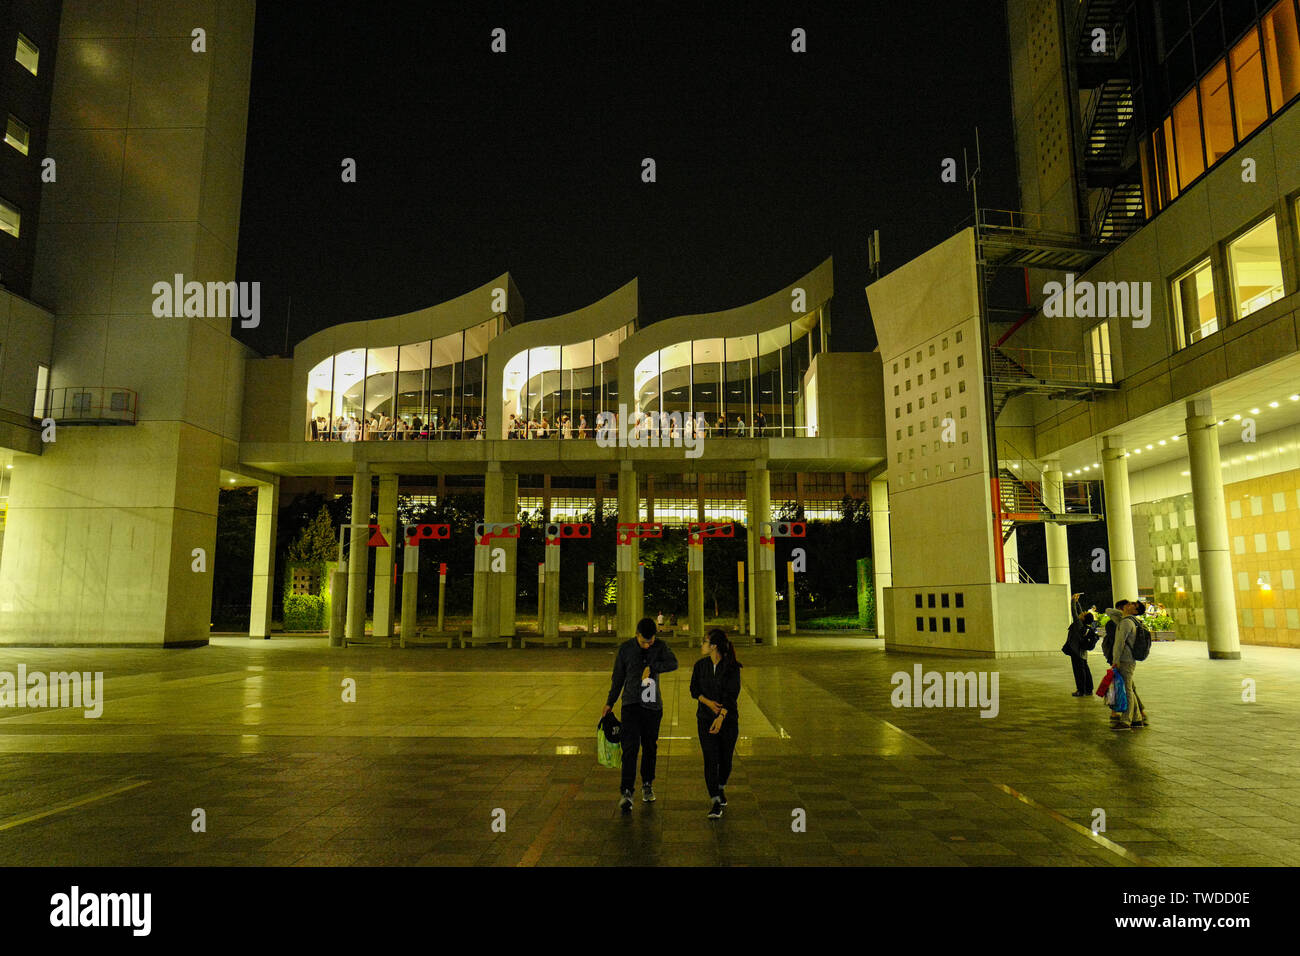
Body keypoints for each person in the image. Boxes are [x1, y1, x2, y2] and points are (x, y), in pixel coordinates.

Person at [602, 617, 678, 810]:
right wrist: (610, 702)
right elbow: (618, 677)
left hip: (652, 705)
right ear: (636, 635)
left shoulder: (660, 646)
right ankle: (626, 790)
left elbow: (673, 663)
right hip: (631, 704)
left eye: (650, 641)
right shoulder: (626, 649)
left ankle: (647, 784)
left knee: (650, 747)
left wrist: (653, 667)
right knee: (630, 748)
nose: (647, 645)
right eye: (644, 641)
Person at [690, 629, 742, 819]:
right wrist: (707, 702)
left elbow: (731, 695)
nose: (702, 645)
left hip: (728, 721)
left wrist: (720, 717)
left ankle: (720, 787)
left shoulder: (731, 667)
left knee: (725, 760)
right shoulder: (700, 666)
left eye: (705, 642)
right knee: (710, 759)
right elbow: (694, 689)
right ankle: (714, 801)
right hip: (704, 719)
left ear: (714, 646)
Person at [1103, 600, 1148, 730]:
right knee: (1129, 688)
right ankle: (1137, 718)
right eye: (1129, 604)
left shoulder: (1126, 623)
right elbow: (1108, 610)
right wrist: (1124, 612)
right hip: (1128, 659)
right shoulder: (1130, 620)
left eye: (1133, 605)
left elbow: (1119, 643)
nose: (1129, 605)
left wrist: (1115, 661)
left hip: (1125, 660)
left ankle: (1126, 721)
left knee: (1128, 690)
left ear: (1135, 611)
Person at [1063, 610, 1095, 697]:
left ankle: (1081, 691)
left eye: (1083, 614)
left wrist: (1073, 601)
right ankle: (1089, 689)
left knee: (1079, 672)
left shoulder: (1079, 625)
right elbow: (1080, 612)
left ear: (1083, 618)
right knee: (1085, 670)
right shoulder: (1083, 626)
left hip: (1076, 652)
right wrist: (1077, 602)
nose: (1082, 613)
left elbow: (1075, 614)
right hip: (1082, 652)